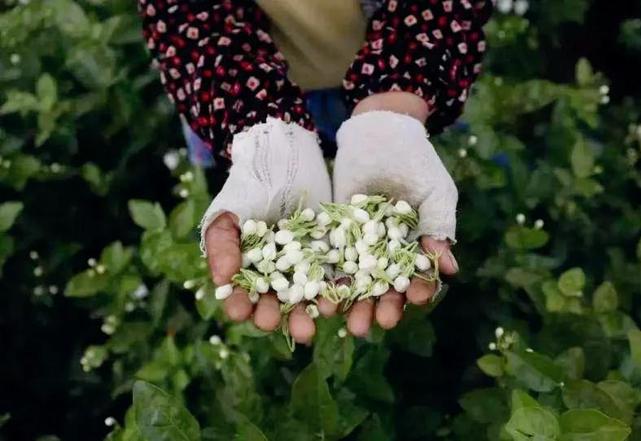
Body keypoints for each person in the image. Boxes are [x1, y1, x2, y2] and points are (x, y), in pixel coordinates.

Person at [138, 0, 492, 344]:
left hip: (406, 55)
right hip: (245, 84)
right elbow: (187, 13)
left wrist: (396, 107)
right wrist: (263, 139)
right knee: (249, 166)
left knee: (418, 141)